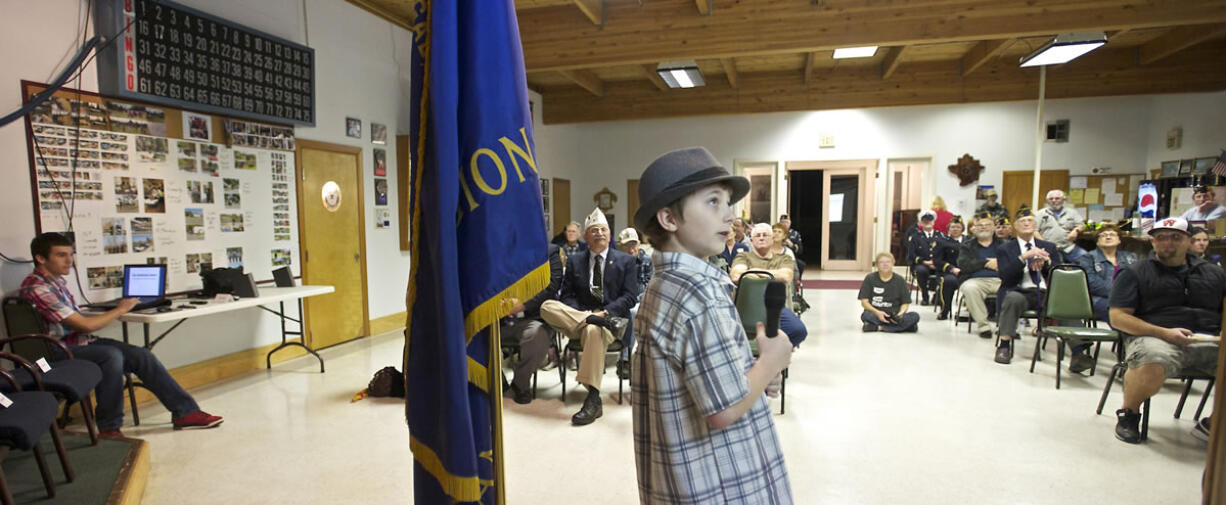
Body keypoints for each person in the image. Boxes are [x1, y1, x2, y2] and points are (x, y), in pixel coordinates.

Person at [631, 147, 792, 504]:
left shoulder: (663, 286)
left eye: (728, 202)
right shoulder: (700, 295)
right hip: (722, 484)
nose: (730, 215)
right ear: (669, 219)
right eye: (713, 202)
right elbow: (723, 410)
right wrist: (769, 362)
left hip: (680, 478)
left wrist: (754, 372)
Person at [20, 233, 223, 437]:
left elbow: (78, 325)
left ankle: (185, 412)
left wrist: (115, 309)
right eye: (61, 255)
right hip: (53, 352)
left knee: (141, 355)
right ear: (41, 258)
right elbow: (85, 326)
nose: (69, 261)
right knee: (109, 356)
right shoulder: (38, 288)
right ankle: (109, 426)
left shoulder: (57, 284)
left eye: (71, 254)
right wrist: (120, 309)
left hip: (77, 343)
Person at [1109, 217, 1226, 444]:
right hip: (1155, 335)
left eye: (1176, 237)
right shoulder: (1135, 272)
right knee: (1153, 359)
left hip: (1209, 338)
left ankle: (1214, 423)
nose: (1167, 243)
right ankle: (1129, 414)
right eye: (1161, 238)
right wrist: (1163, 333)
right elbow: (1118, 317)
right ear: (1152, 242)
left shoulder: (1214, 274)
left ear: (1189, 241)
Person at [540, 208, 640, 426]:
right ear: (586, 236)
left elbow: (630, 297)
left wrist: (604, 314)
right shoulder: (575, 261)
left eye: (603, 230)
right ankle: (590, 320)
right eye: (594, 230)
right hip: (577, 319)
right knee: (547, 306)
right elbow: (567, 296)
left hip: (611, 322)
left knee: (594, 329)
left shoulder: (625, 261)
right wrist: (586, 315)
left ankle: (593, 398)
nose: (599, 234)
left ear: (610, 235)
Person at [992, 206, 1060, 364]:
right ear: (1015, 226)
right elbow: (1005, 276)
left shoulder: (1049, 247)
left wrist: (1047, 263)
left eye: (1030, 220)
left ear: (1035, 224)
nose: (1027, 223)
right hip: (1020, 291)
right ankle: (1004, 345)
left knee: (1064, 304)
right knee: (1012, 299)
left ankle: (1079, 352)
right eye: (1022, 221)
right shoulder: (1006, 248)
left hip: (1045, 292)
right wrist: (1023, 258)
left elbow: (1059, 274)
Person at [1070, 224, 1138, 373]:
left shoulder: (1130, 258)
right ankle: (1130, 358)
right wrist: (1120, 294)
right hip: (1097, 300)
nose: (1108, 237)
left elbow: (1138, 279)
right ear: (1097, 241)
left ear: (1119, 240)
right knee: (1119, 314)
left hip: (1127, 299)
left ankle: (1137, 354)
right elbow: (1091, 282)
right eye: (1103, 235)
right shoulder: (1088, 258)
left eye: (1112, 234)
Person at [502, 244, 564, 404]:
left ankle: (520, 384)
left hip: (533, 318)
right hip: (499, 317)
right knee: (471, 333)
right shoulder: (500, 250)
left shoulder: (550, 252)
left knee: (537, 335)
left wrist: (523, 305)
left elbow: (551, 287)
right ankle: (497, 381)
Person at [730, 223, 809, 347]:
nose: (761, 238)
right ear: (751, 240)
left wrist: (751, 274)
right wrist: (772, 277)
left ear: (772, 239)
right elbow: (736, 276)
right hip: (745, 306)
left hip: (774, 308)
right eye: (758, 235)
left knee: (798, 330)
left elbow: (786, 277)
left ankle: (773, 354)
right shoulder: (743, 256)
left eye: (765, 235)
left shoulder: (783, 259)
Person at [958, 213, 1004, 339]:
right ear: (975, 228)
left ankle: (1006, 327)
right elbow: (964, 265)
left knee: (1013, 290)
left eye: (987, 225)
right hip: (976, 281)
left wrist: (999, 263)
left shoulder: (1004, 244)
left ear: (994, 227)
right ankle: (983, 326)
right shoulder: (967, 246)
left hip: (1001, 280)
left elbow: (1012, 262)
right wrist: (986, 263)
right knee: (969, 288)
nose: (983, 227)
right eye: (980, 225)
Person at [617, 227, 653, 377]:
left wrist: (633, 298)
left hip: (641, 300)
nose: (631, 249)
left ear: (639, 245)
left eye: (633, 245)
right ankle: (622, 359)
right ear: (621, 247)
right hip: (621, 300)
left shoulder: (647, 260)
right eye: (626, 246)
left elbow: (648, 285)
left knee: (632, 312)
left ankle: (626, 359)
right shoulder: (617, 261)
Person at [859, 252, 920, 332]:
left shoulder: (900, 280)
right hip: (876, 313)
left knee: (915, 316)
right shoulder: (870, 278)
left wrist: (900, 314)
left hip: (895, 315)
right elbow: (864, 302)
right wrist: (877, 313)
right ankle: (904, 327)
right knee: (866, 315)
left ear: (893, 264)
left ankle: (879, 327)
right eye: (881, 262)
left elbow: (905, 303)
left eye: (888, 262)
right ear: (877, 265)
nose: (885, 264)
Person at [1035, 189, 1087, 262]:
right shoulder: (1039, 214)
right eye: (1051, 199)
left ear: (1063, 200)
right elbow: (1034, 231)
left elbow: (1082, 225)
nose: (1054, 200)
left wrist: (1076, 230)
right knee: (1053, 268)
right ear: (1047, 201)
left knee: (1086, 259)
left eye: (1057, 198)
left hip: (1068, 247)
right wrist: (1044, 244)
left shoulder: (1072, 212)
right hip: (1048, 249)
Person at [907, 209, 945, 305]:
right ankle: (925, 296)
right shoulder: (915, 237)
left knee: (946, 271)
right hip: (921, 264)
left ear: (933, 222)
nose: (927, 223)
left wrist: (936, 262)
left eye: (929, 221)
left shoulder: (940, 236)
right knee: (921, 271)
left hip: (937, 264)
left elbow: (945, 252)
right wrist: (924, 262)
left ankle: (937, 295)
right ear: (921, 223)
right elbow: (911, 255)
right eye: (925, 221)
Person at [932, 217, 965, 320]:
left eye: (958, 227)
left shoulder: (969, 241)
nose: (955, 229)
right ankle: (945, 310)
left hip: (967, 272)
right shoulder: (942, 242)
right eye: (953, 227)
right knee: (948, 282)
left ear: (962, 229)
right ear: (948, 229)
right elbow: (937, 261)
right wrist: (951, 268)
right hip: (949, 272)